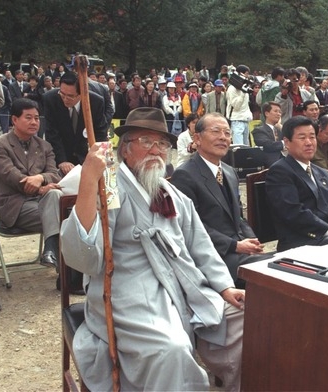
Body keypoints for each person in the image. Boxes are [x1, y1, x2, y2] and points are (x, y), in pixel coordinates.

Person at [60, 107, 244, 390]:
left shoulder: (173, 195)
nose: (156, 150)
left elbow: (200, 246)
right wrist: (88, 181)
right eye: (146, 142)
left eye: (162, 144)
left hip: (185, 286)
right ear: (125, 149)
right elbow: (84, 259)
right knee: (171, 348)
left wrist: (223, 287)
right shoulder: (109, 191)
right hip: (129, 290)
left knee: (248, 320)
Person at [171, 112, 270, 286]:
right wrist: (234, 246)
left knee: (281, 266)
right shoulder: (185, 175)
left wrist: (254, 243)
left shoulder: (229, 171)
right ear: (197, 138)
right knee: (272, 277)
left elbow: (239, 217)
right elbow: (191, 227)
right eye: (216, 131)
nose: (223, 138)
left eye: (227, 133)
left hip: (240, 251)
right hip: (213, 256)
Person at [265, 116, 328, 252]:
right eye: (302, 137)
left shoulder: (321, 172)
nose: (309, 142)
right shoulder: (280, 171)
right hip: (303, 240)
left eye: (312, 137)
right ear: (287, 142)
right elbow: (293, 213)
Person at [0, 98, 63, 269]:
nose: (34, 122)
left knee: (55, 195)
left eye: (36, 118)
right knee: (67, 218)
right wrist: (41, 188)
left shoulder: (45, 146)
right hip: (15, 205)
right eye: (28, 118)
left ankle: (51, 251)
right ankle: (67, 274)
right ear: (14, 119)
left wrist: (41, 178)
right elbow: (11, 175)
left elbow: (54, 175)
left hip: (44, 203)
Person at [43, 72, 108, 175]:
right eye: (62, 94)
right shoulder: (51, 99)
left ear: (82, 93)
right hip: (60, 157)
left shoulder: (95, 102)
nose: (65, 99)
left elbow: (101, 133)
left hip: (86, 157)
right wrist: (62, 160)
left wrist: (94, 158)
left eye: (70, 96)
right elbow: (51, 133)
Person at [251, 101, 284, 167]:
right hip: (270, 165)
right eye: (275, 111)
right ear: (267, 113)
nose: (278, 114)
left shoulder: (281, 130)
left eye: (280, 112)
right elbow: (268, 145)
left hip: (285, 163)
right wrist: (285, 143)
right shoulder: (259, 130)